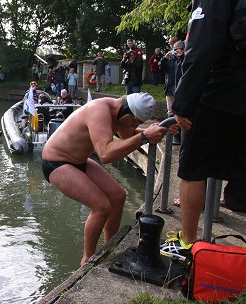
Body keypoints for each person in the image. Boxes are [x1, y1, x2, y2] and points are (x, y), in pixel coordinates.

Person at [160, 0, 246, 262]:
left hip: (224, 90)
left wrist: (183, 102)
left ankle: (188, 243)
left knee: (192, 168)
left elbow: (202, 48)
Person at [42, 93, 170, 266]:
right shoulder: (99, 110)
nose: (134, 125)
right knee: (101, 207)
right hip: (56, 162)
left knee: (118, 196)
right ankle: (87, 261)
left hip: (78, 160)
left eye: (138, 123)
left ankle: (110, 248)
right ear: (126, 111)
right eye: (134, 121)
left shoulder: (122, 115)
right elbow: (105, 154)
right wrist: (145, 136)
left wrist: (159, 130)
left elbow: (128, 136)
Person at [159, 40, 185, 145]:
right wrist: (164, 58)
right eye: (173, 49)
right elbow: (161, 68)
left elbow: (188, 69)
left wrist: (182, 57)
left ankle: (180, 136)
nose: (175, 51)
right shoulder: (169, 59)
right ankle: (173, 136)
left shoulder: (185, 59)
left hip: (181, 91)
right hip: (170, 89)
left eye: (177, 49)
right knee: (170, 112)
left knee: (181, 113)